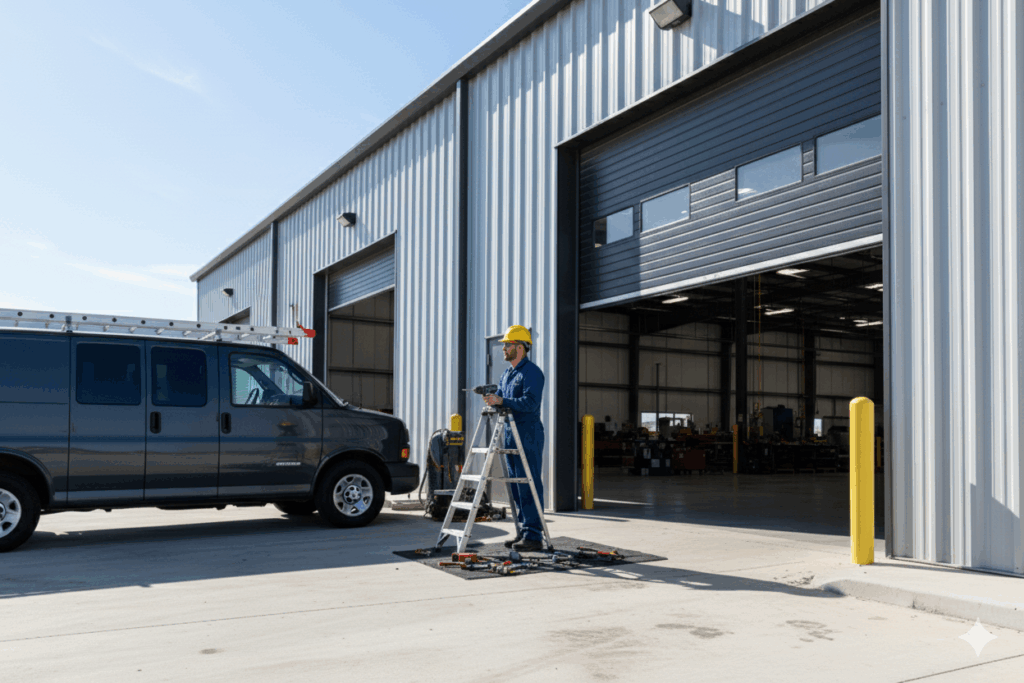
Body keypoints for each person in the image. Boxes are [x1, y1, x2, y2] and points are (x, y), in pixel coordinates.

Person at [482, 324, 545, 551]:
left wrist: (502, 401)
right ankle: (523, 532)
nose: (503, 349)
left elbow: (530, 403)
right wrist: (493, 399)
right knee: (516, 487)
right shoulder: (507, 374)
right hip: (510, 433)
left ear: (519, 347)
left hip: (528, 433)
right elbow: (502, 397)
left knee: (528, 484)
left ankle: (534, 536)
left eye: (507, 345)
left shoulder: (533, 373)